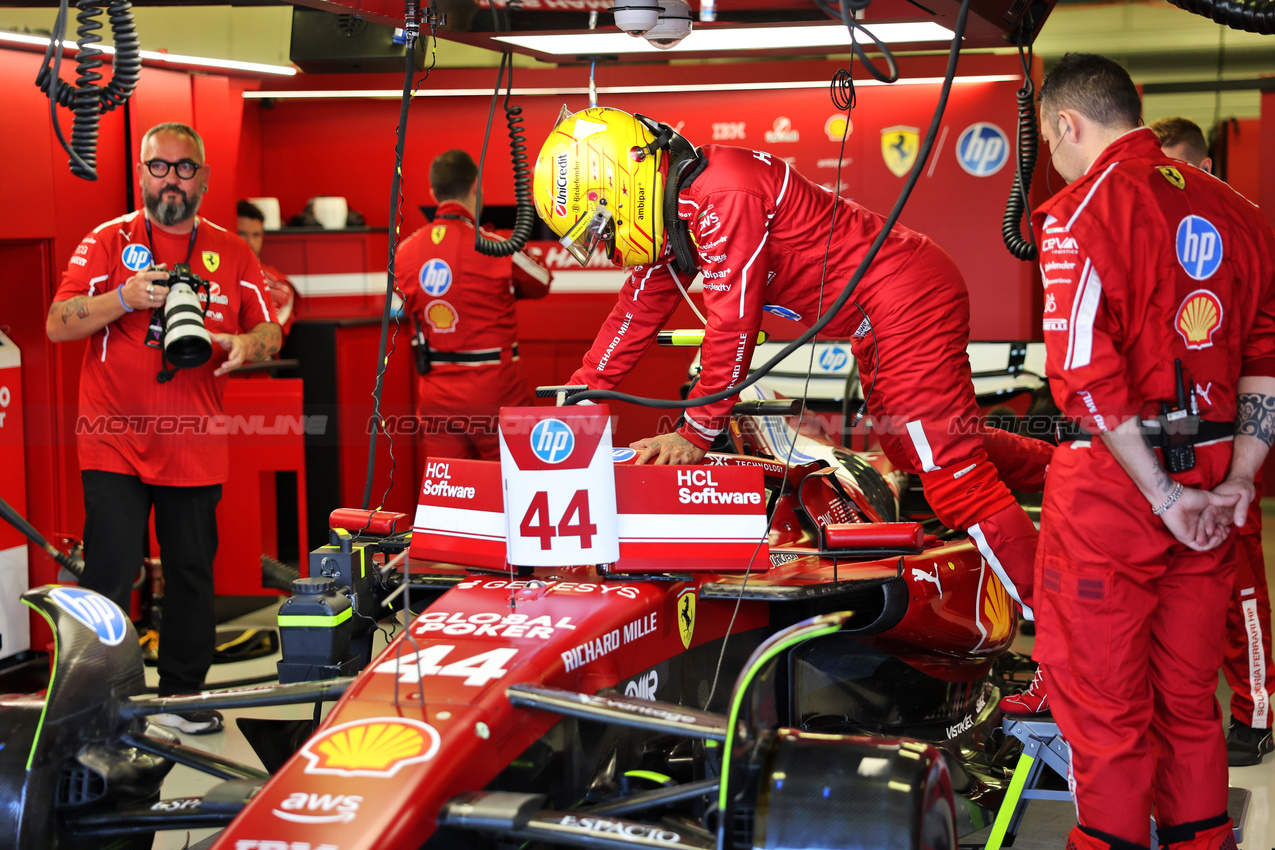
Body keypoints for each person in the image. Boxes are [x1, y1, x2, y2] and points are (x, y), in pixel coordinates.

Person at [531, 106, 1052, 647]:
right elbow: (632, 316)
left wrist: (693, 434)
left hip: (905, 295)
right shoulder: (681, 214)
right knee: (911, 448)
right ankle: (1068, 473)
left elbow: (731, 324)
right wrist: (569, 410)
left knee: (951, 476)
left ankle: (1062, 635)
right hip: (881, 311)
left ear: (620, 184)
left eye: (600, 224)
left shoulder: (721, 194)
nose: (608, 241)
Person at [1031, 54, 1275, 850]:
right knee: (1185, 696)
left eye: (1049, 144)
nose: (1054, 164)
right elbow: (1264, 357)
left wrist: (1162, 498)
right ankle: (1202, 841)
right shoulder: (1239, 211)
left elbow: (1084, 379)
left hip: (1114, 490)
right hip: (1214, 484)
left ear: (1067, 124)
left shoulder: (1077, 212)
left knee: (1100, 702)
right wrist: (1239, 477)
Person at [47, 122, 281, 735]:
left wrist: (244, 345)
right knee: (109, 570)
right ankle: (95, 701)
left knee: (190, 572)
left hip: (193, 438)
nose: (171, 179)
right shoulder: (105, 242)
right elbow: (56, 322)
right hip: (112, 434)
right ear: (142, 172)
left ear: (202, 177)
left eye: (184, 168)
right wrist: (124, 297)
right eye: (159, 167)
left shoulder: (231, 252)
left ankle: (181, 699)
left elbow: (270, 330)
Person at [1150, 114, 1275, 765]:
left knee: (1239, 584)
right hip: (1162, 436)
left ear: (1197, 167)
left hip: (1229, 438)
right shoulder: (1153, 235)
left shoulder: (1244, 230)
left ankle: (1256, 709)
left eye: (1173, 171)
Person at [396, 149, 551, 462]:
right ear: (475, 186)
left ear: (433, 192)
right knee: (516, 481)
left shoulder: (405, 250)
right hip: (494, 387)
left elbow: (405, 302)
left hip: (434, 391)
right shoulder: (496, 245)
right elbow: (542, 280)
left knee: (452, 491)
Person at [237, 200, 300, 344]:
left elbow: (265, 339)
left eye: (256, 235)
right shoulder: (213, 276)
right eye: (242, 234)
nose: (250, 242)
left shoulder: (278, 286)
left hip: (256, 363)